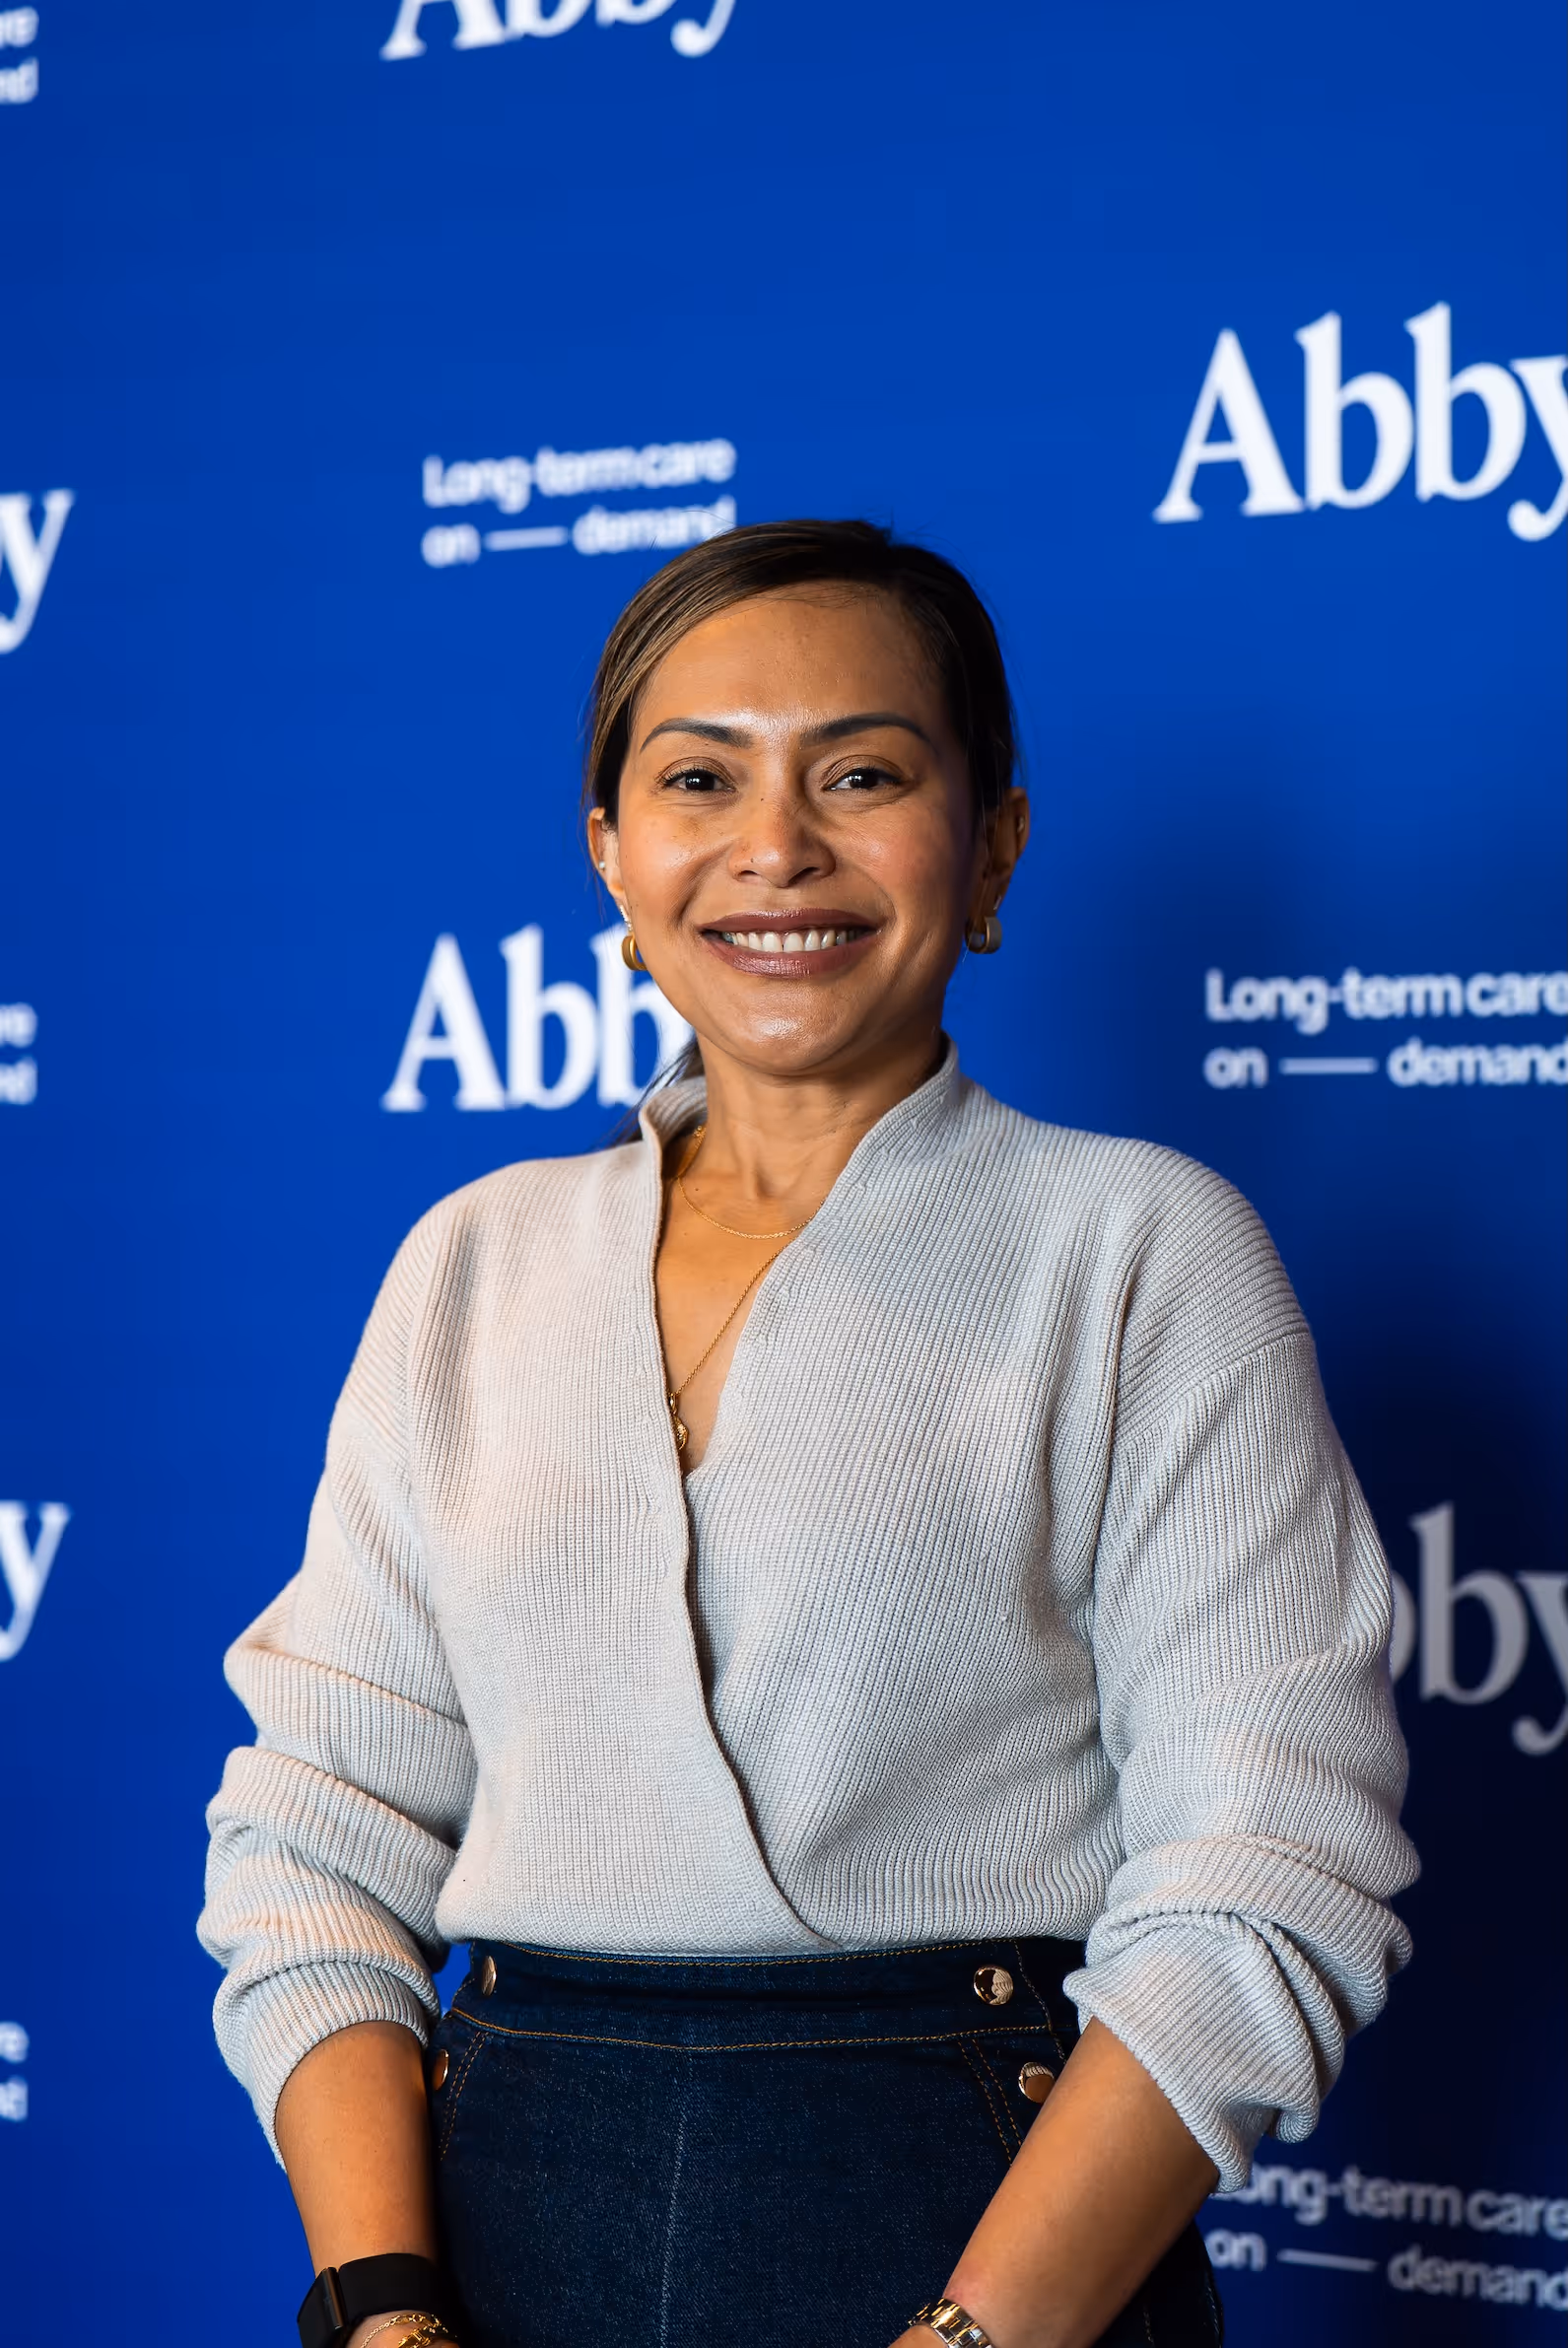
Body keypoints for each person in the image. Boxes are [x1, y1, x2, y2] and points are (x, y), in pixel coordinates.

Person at [199, 519, 1415, 2348]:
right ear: (612, 855)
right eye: (699, 777)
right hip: (492, 2243)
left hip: (992, 2249)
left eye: (862, 771)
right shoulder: (472, 1260)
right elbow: (318, 1834)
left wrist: (971, 2340)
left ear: (992, 842)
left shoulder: (1141, 1250)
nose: (777, 845)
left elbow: (1264, 1874)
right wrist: (381, 2306)